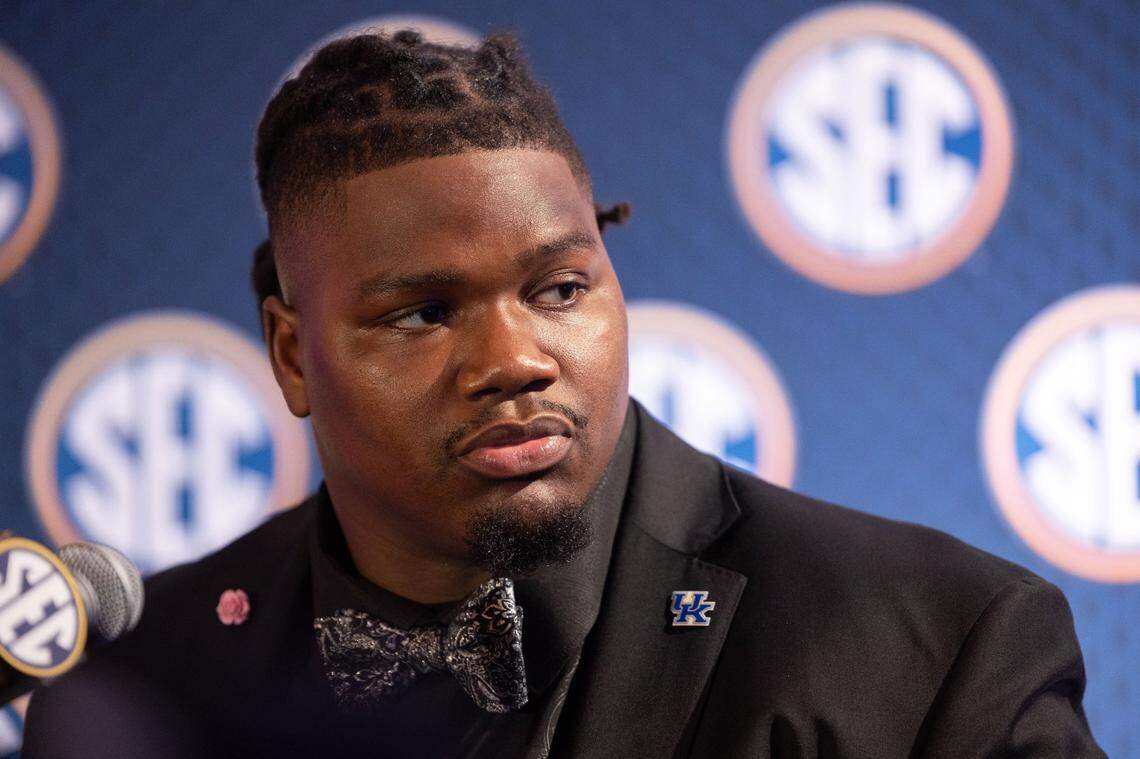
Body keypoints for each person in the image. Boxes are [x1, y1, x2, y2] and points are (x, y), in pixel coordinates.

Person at [23, 29, 1104, 758]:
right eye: (423, 313)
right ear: (295, 357)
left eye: (560, 288)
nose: (515, 359)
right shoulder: (140, 688)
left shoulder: (933, 644)